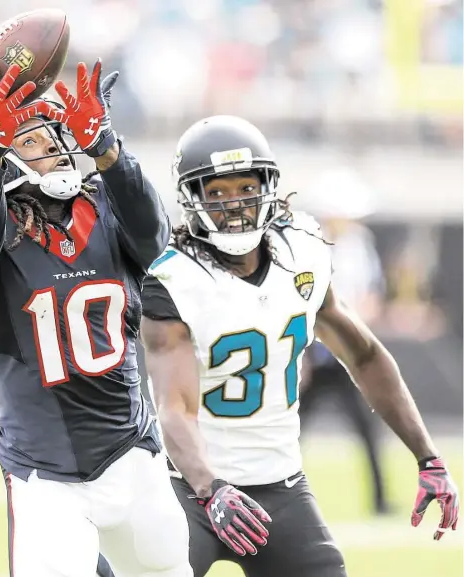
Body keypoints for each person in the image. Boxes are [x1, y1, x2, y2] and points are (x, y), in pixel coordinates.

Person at [137, 115, 459, 577]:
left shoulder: (302, 251)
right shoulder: (174, 280)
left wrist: (428, 457)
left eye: (244, 188)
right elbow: (174, 408)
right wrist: (212, 489)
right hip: (190, 491)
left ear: (268, 185)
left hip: (281, 488)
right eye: (217, 192)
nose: (234, 205)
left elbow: (365, 356)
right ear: (192, 200)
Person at [0, 61, 192, 577]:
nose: (55, 146)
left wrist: (109, 151)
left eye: (53, 134)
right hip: (44, 473)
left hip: (131, 452)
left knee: (167, 567)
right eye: (33, 139)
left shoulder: (106, 204)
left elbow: (155, 239)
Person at [299, 167, 392, 515]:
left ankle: (381, 501)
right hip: (315, 352)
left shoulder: (360, 246)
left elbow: (371, 296)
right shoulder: (308, 245)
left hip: (347, 355)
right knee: (291, 431)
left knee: (367, 429)